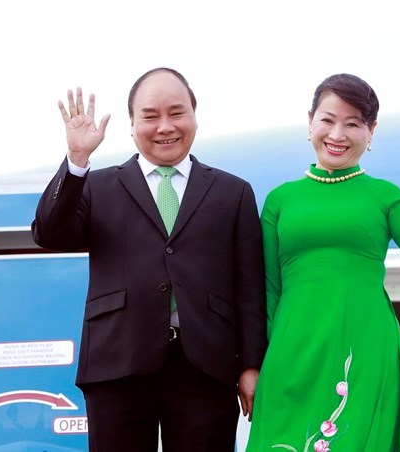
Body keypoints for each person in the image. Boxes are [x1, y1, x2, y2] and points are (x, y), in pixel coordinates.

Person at [31, 67, 267, 452]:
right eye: (150, 115)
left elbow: (249, 289)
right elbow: (49, 234)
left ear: (194, 116)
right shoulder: (97, 186)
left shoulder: (233, 192)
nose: (165, 126)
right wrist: (76, 159)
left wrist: (251, 364)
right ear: (131, 124)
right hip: (117, 363)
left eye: (176, 112)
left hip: (206, 366)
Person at [245, 73, 400, 452]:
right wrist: (257, 364)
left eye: (353, 124)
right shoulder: (280, 200)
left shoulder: (385, 196)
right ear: (310, 122)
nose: (337, 134)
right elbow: (268, 291)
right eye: (327, 120)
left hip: (362, 347)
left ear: (371, 131)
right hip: (291, 350)